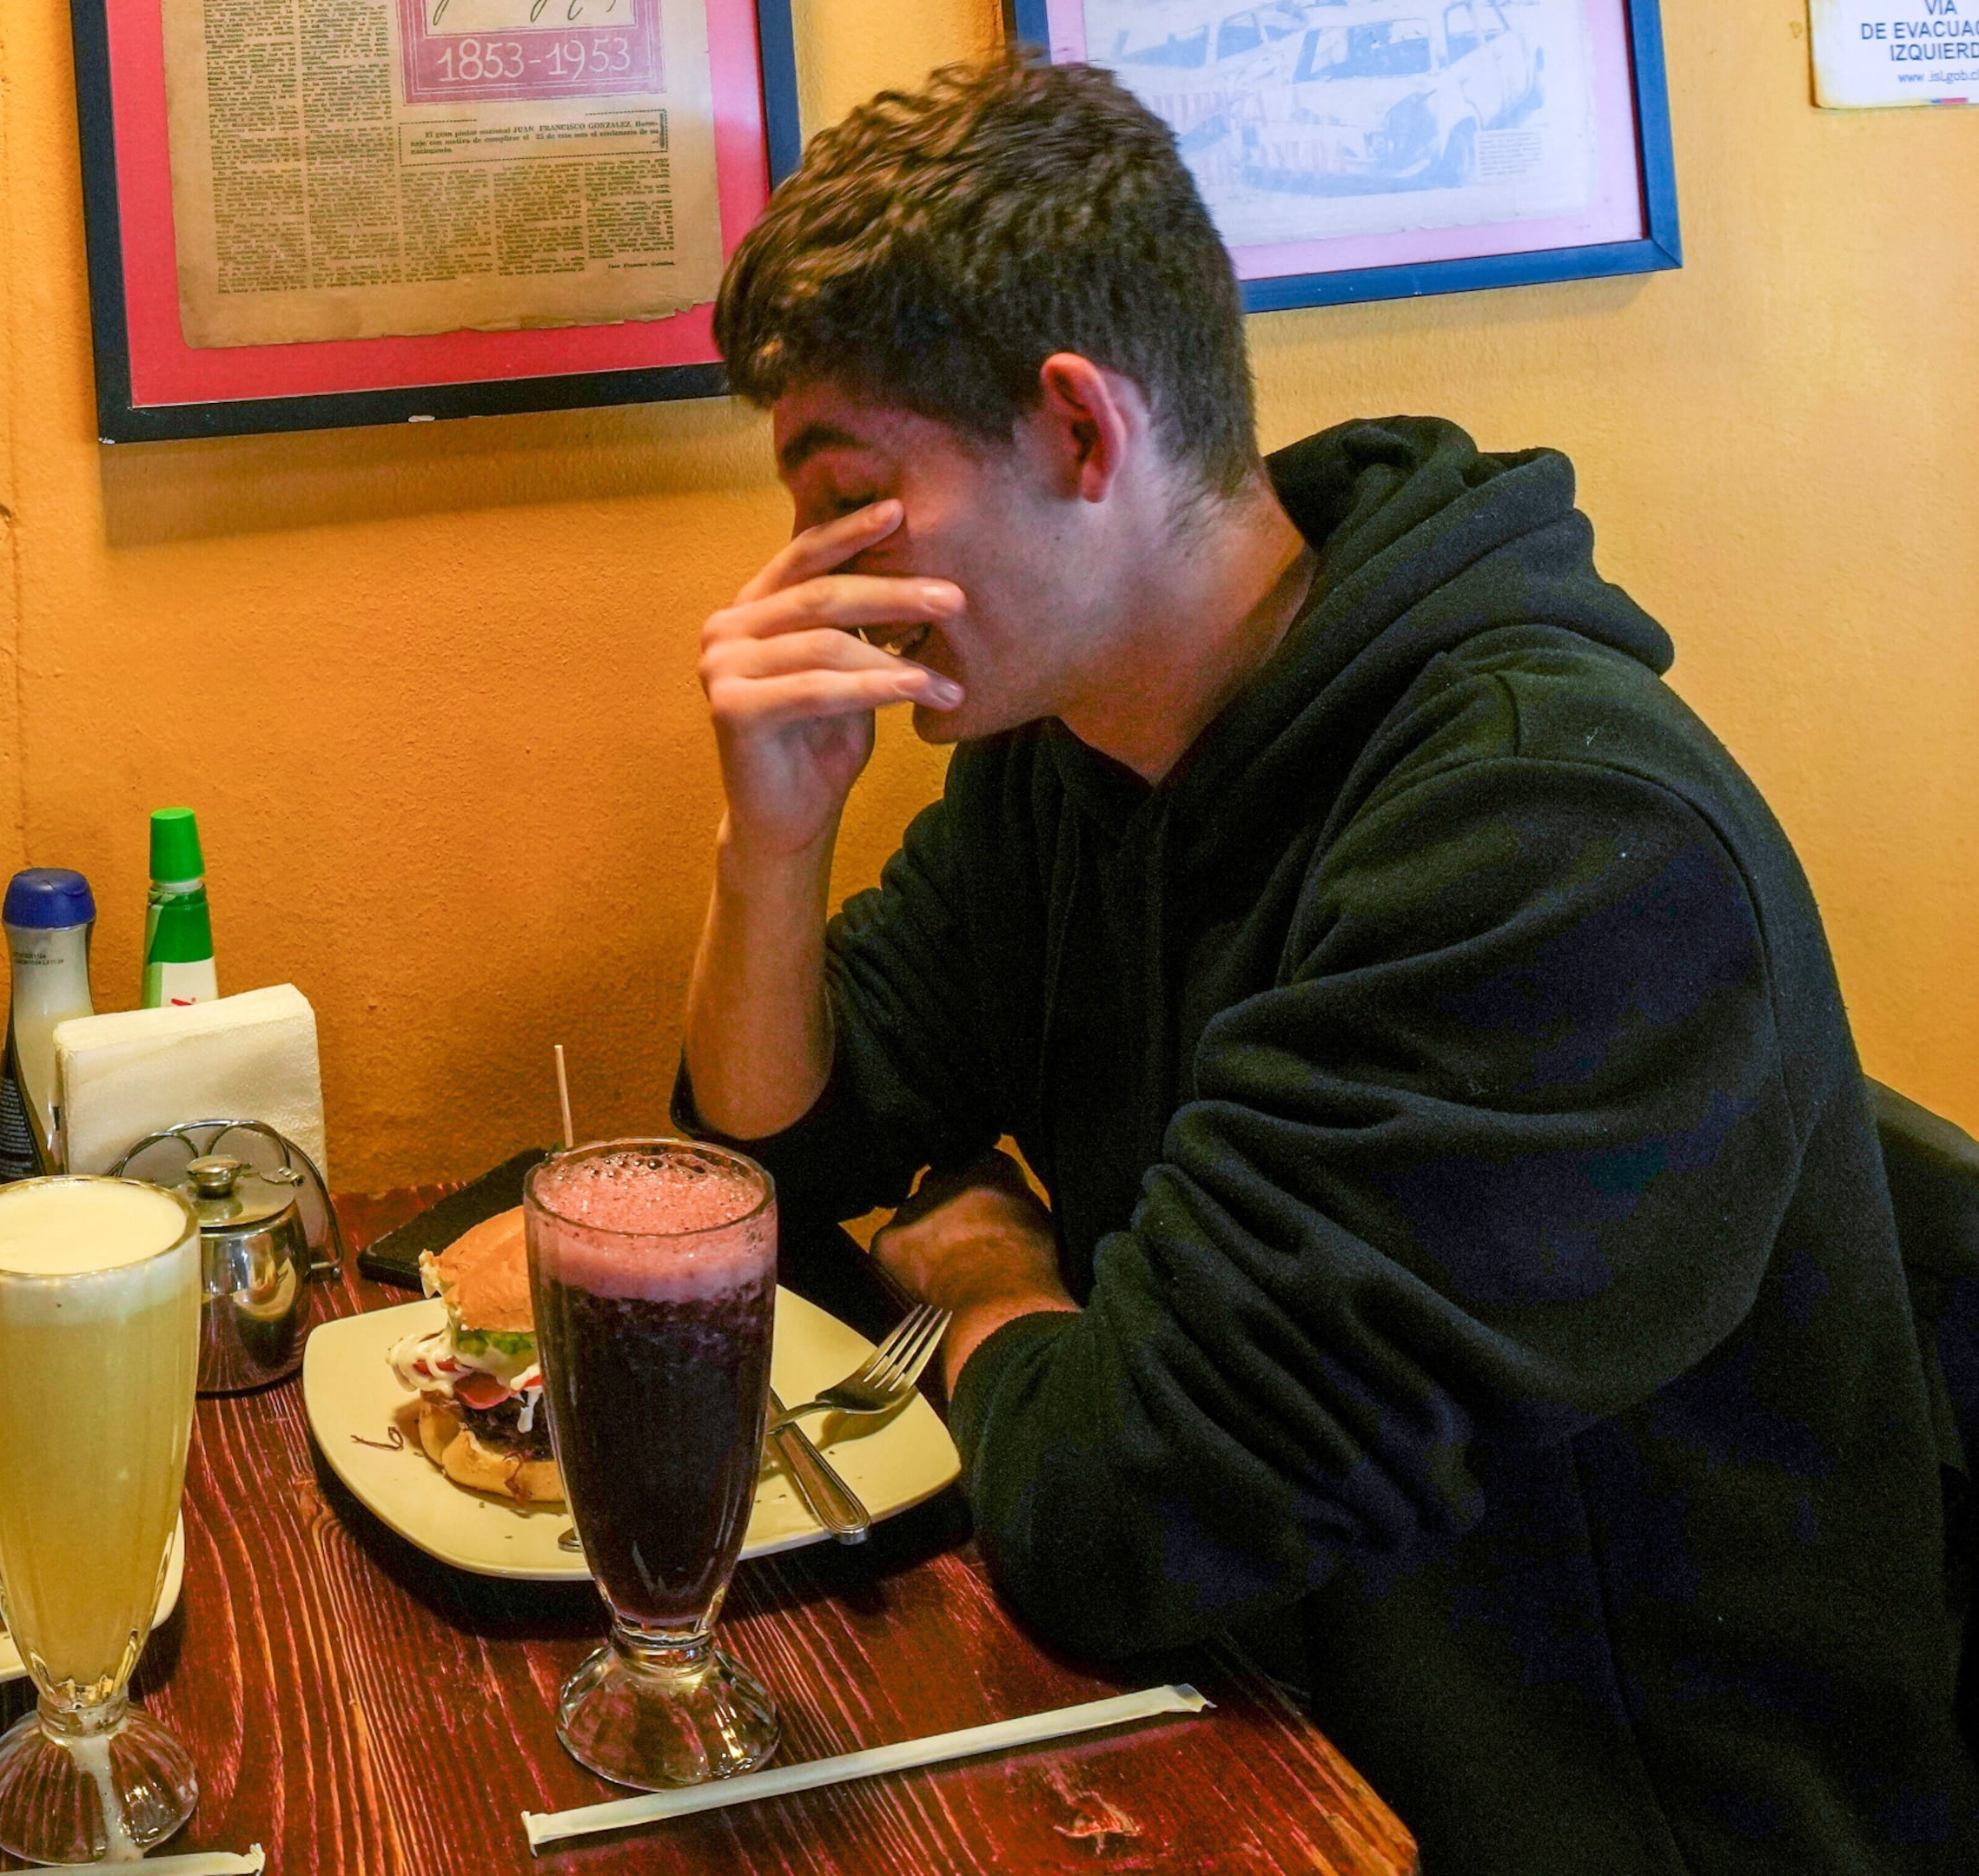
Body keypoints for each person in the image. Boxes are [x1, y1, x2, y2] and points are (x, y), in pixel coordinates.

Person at [676, 52, 1971, 1871]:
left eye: (845, 500)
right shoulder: (1079, 750)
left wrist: (977, 1272)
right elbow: (770, 1167)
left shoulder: (1542, 842)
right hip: (1278, 1714)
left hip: (1597, 1809)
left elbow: (1126, 1514)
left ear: (1077, 430)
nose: (808, 580)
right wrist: (774, 847)